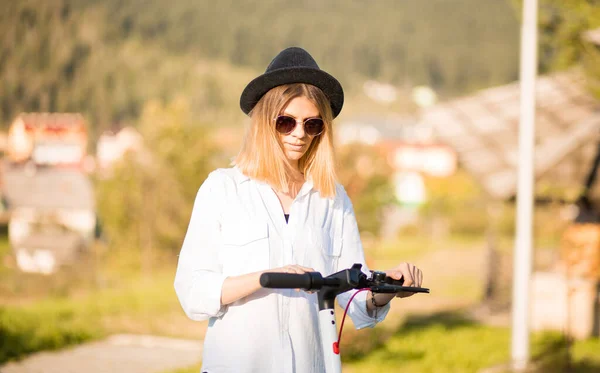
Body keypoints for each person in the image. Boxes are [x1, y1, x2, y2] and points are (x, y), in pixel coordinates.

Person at [174, 47, 424, 373]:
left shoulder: (333, 199)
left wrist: (385, 290)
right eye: (286, 122)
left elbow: (351, 297)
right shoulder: (222, 189)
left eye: (312, 124)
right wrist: (265, 278)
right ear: (265, 121)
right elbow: (193, 292)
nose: (299, 134)